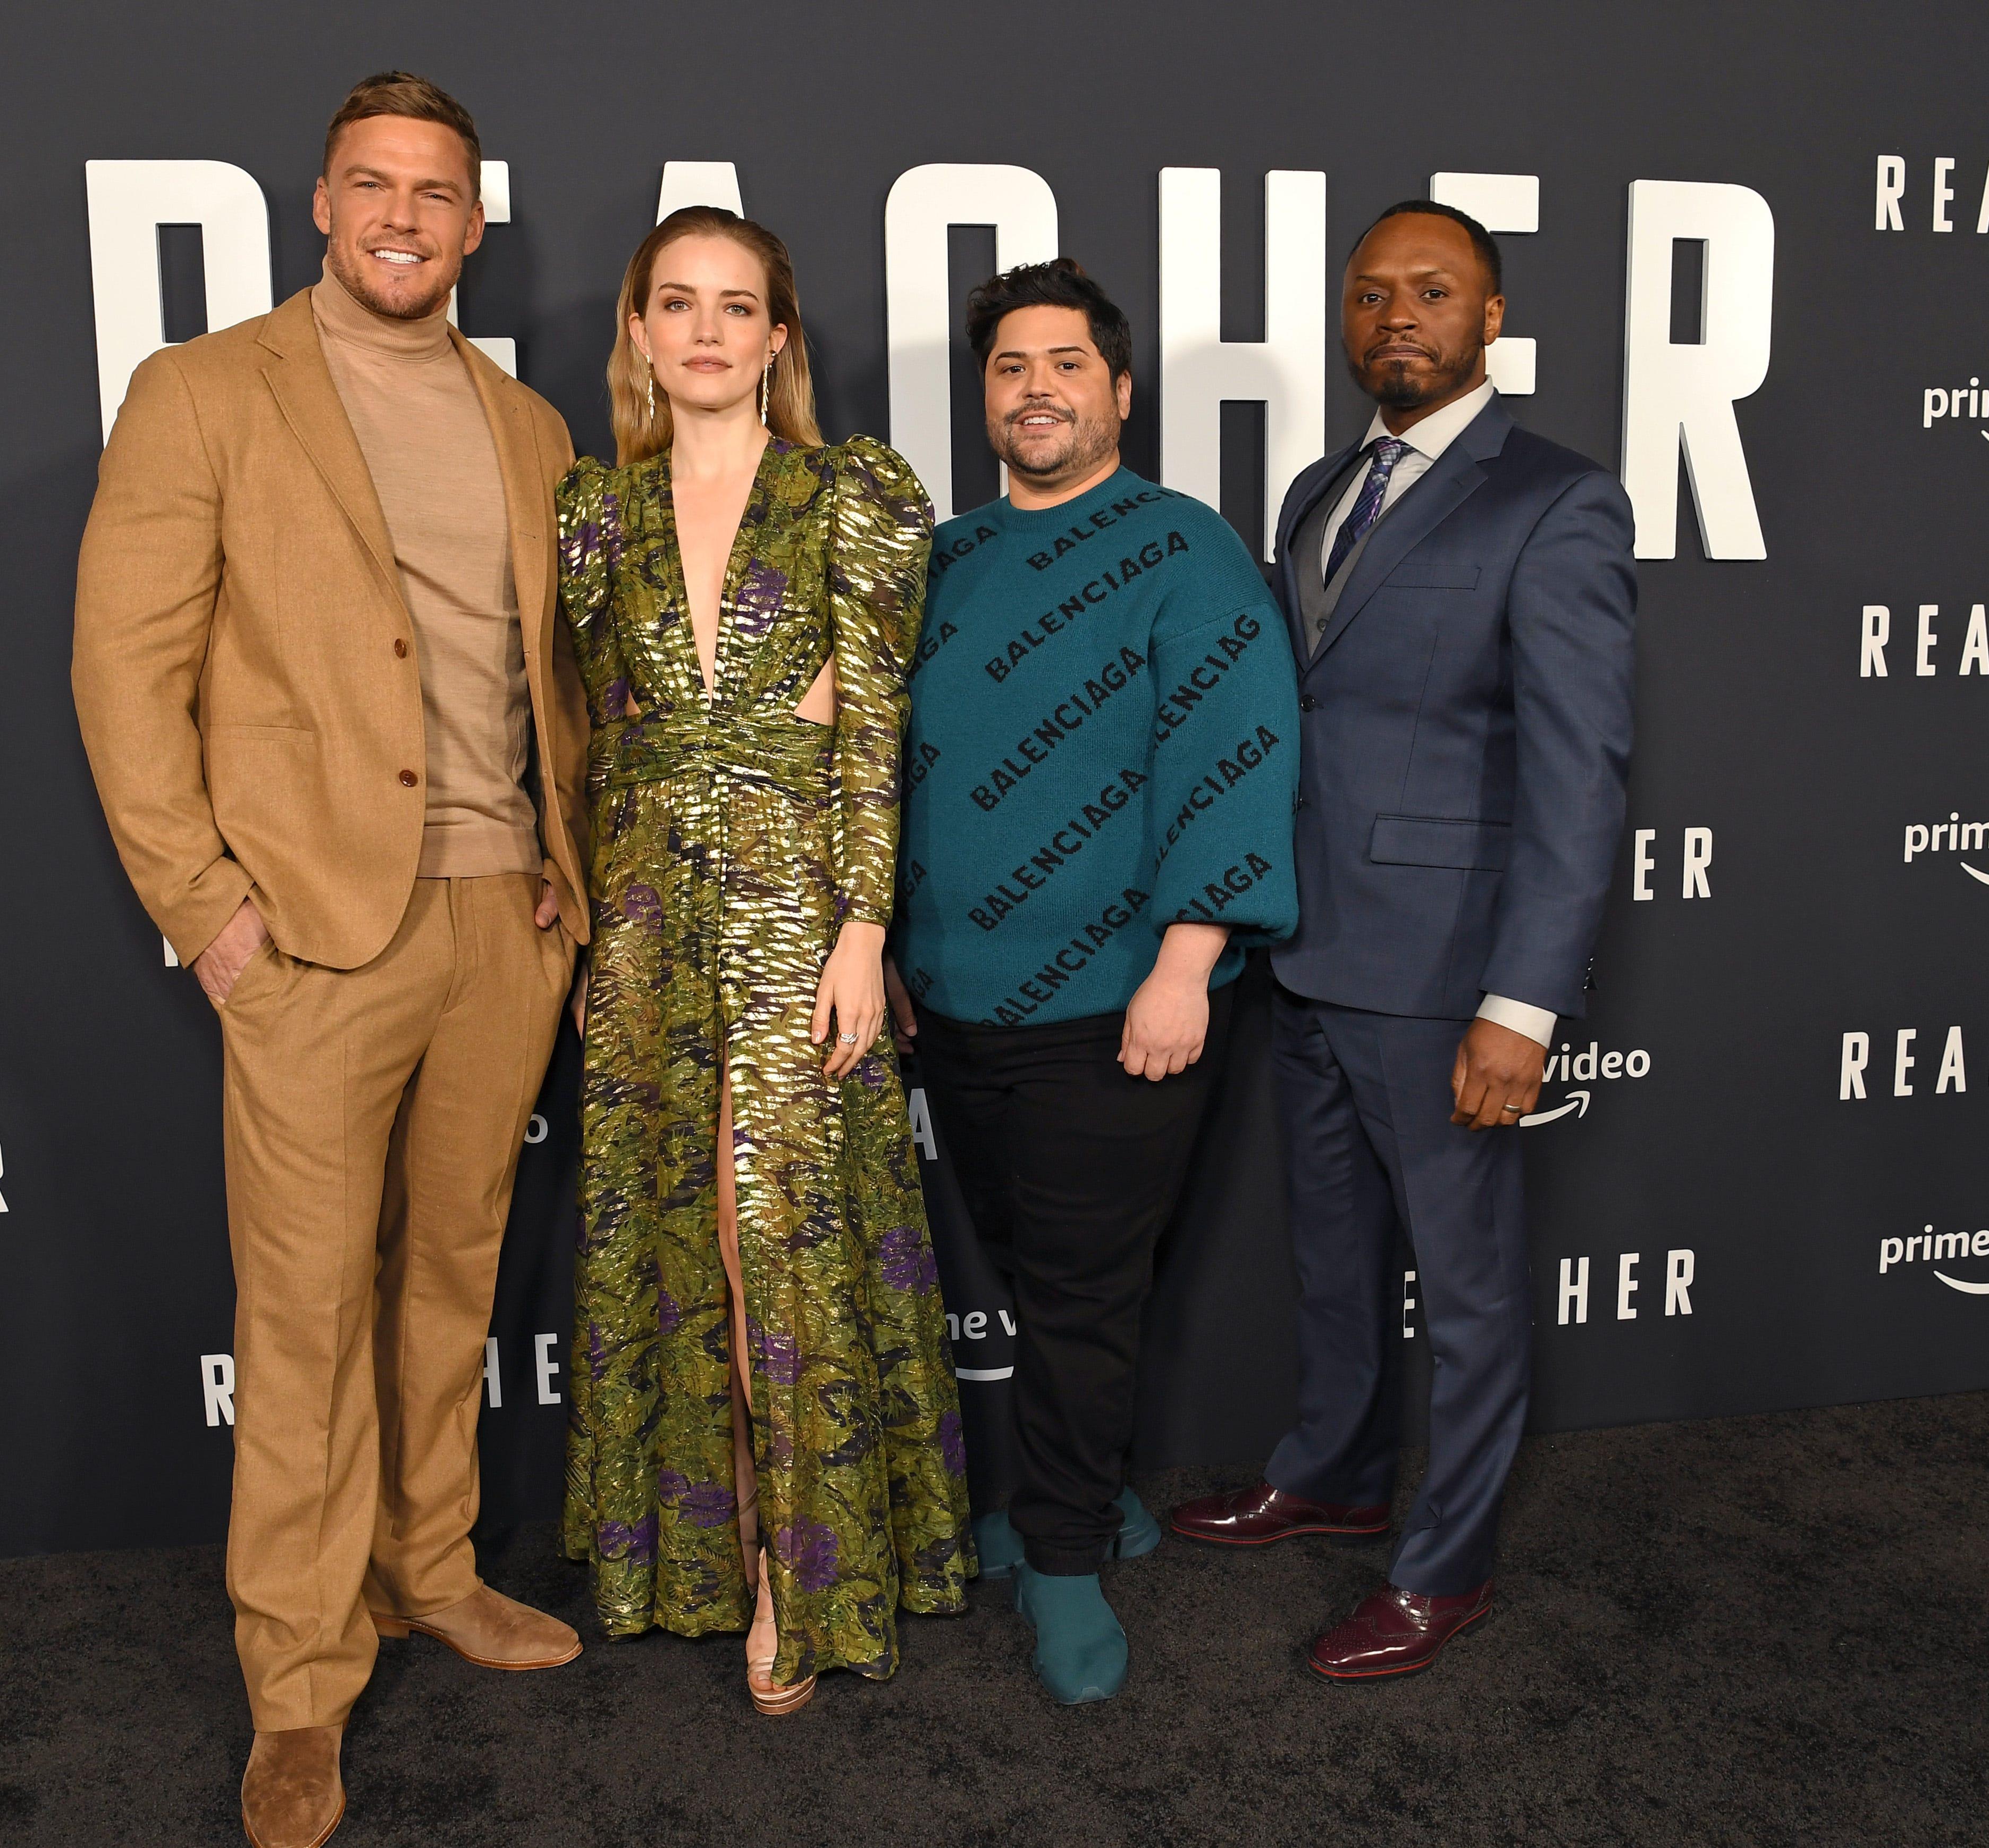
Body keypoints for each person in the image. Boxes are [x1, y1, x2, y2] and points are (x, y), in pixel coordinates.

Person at [73, 72, 588, 1848]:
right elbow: (122, 674)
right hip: (307, 935)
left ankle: (427, 1566)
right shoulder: (206, 391)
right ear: (319, 201)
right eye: (373, 184)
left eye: (436, 192)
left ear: (473, 220)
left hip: (501, 919)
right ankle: (298, 1682)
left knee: (456, 1272)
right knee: (302, 1319)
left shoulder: (531, 429)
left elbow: (557, 682)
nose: (403, 216)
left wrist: (565, 874)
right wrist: (207, 911)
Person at [1168, 202, 1636, 1681]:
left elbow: (1580, 770)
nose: (1397, 318)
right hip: (1302, 954)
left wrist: (1523, 1003)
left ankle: (1448, 1567)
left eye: (1433, 292)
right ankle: (1338, 1472)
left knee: (1472, 1284)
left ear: (1492, 316)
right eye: (1371, 294)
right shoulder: (1321, 486)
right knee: (1336, 1256)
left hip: (1446, 978)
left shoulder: (1556, 502)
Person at [556, 205, 975, 1716]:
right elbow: (604, 743)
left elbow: (869, 729)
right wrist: (595, 926)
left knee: (775, 1234)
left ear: (781, 338)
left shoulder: (847, 493)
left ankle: (807, 1576)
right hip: (653, 913)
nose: (710, 331)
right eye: (679, 304)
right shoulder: (594, 512)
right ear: (641, 331)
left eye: (740, 306)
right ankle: (705, 1554)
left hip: (804, 905)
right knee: (672, 1238)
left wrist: (865, 931)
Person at [887, 258, 1300, 1704]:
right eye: (1009, 366)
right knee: (1035, 1265)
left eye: (1066, 363)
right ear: (985, 394)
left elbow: (1235, 760)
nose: (1037, 388)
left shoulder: (1187, 549)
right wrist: (880, 945)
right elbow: (878, 774)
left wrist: (1189, 962)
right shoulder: (942, 558)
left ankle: (1061, 1553)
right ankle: (1096, 1495)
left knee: (1075, 1294)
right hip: (954, 998)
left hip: (1120, 1001)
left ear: (1119, 391)